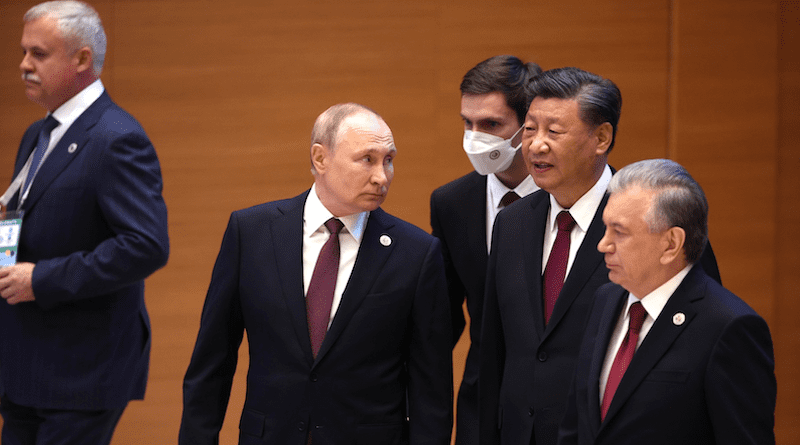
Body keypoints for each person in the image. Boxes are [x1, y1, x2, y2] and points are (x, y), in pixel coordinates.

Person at [179, 103, 453, 445]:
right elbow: (212, 360)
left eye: (389, 160)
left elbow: (432, 388)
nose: (382, 176)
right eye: (367, 159)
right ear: (320, 158)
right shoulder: (251, 233)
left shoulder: (416, 252)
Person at [479, 67, 721, 445]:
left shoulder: (654, 221)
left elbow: (700, 349)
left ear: (601, 137)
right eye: (529, 129)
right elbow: (492, 353)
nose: (536, 145)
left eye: (553, 132)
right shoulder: (511, 223)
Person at [0, 1, 170, 444]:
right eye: (23, 52)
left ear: (81, 59)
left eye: (39, 54)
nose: (24, 65)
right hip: (26, 363)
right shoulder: (37, 134)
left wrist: (44, 278)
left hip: (80, 369)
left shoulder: (117, 138)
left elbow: (145, 244)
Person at [558, 159, 776, 444]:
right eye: (605, 228)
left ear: (671, 243)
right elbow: (577, 425)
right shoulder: (604, 300)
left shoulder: (728, 327)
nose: (603, 244)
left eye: (619, 232)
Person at [429, 55, 541, 445]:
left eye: (491, 124)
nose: (475, 136)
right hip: (483, 405)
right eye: (468, 123)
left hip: (562, 404)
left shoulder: (571, 200)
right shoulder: (451, 203)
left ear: (528, 126)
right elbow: (443, 318)